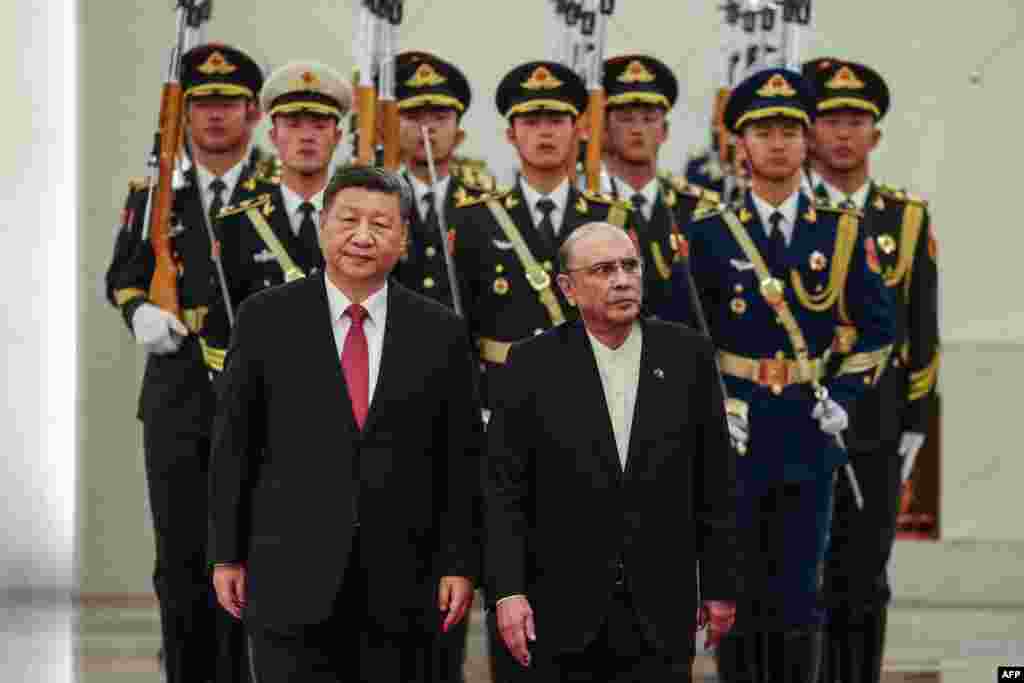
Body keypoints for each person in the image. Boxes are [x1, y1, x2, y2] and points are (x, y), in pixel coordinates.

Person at [658, 68, 895, 682]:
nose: (779, 143)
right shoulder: (707, 235)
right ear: (742, 144)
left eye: (790, 130)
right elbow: (680, 341)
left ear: (807, 139)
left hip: (806, 431)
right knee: (734, 590)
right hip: (734, 434)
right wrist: (714, 406)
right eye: (764, 131)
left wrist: (843, 397)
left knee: (798, 592)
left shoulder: (841, 231)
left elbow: (876, 330)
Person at [209, 165, 484, 682]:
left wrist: (459, 562)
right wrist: (227, 554)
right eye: (349, 220)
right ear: (322, 226)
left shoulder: (440, 331)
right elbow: (234, 445)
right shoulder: (265, 318)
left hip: (407, 582)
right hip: (290, 572)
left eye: (381, 224)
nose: (362, 236)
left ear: (403, 237)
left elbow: (461, 457)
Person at [484, 221, 739, 682]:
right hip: (559, 612)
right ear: (568, 287)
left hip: (660, 609)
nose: (621, 279)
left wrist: (720, 585)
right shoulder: (531, 364)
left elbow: (714, 481)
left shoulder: (688, 357)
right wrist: (507, 592)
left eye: (629, 266)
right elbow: (504, 492)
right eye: (603, 269)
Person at [103, 42, 268, 683]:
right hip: (177, 392)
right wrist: (138, 309)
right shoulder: (154, 192)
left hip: (258, 391)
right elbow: (123, 274)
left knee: (252, 551)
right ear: (185, 115)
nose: (216, 115)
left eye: (229, 103)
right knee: (180, 554)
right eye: (202, 103)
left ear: (252, 114)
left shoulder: (273, 193)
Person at [803, 58, 940, 683]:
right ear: (808, 131)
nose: (843, 135)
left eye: (855, 121)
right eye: (830, 120)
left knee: (863, 569)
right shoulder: (789, 213)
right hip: (796, 411)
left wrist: (915, 419)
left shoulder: (904, 217)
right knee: (796, 567)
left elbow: (921, 323)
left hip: (874, 417)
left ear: (875, 135)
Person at [450, 60, 634, 409]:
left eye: (556, 121)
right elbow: (459, 326)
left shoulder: (611, 218)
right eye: (531, 122)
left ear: (578, 129)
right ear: (511, 134)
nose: (544, 133)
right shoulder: (475, 220)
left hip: (592, 398)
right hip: (502, 396)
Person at [199, 60, 350, 374]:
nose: (306, 136)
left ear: (337, 136)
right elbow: (220, 330)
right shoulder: (238, 222)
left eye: (320, 124)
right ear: (273, 135)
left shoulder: (362, 218)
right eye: (293, 124)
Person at [600, 54, 720, 314]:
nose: (637, 129)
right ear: (606, 130)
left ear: (665, 131)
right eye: (625, 118)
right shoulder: (590, 206)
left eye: (649, 118)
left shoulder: (699, 207)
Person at [392, 51, 492, 311]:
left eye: (440, 117)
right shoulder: (379, 200)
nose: (427, 128)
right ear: (395, 128)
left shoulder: (484, 205)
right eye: (413, 116)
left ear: (458, 133)